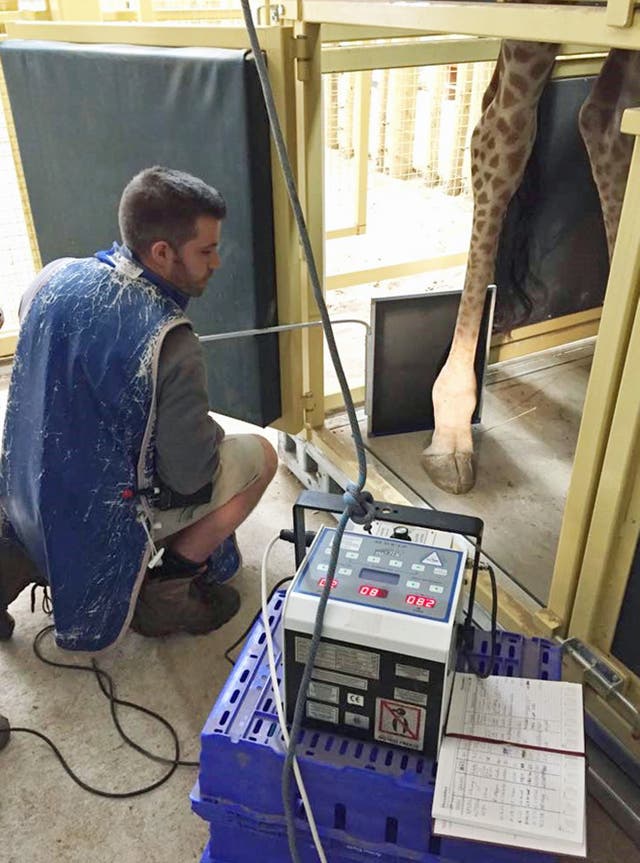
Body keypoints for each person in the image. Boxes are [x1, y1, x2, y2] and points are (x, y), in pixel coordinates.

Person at [0, 166, 278, 651]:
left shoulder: (53, 276)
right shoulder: (173, 344)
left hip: (22, 488)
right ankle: (167, 595)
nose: (216, 262)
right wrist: (207, 433)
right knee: (260, 457)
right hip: (100, 520)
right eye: (206, 251)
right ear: (163, 253)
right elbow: (190, 477)